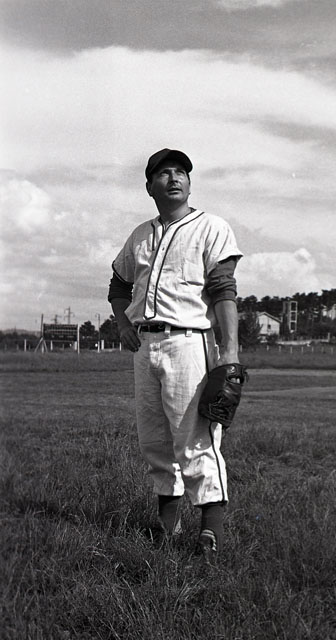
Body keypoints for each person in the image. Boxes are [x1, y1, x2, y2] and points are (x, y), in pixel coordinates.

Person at [108, 148, 242, 560]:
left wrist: (230, 351)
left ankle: (210, 532)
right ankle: (167, 527)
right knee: (154, 440)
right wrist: (123, 325)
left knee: (195, 439)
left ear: (189, 183)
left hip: (189, 341)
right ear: (150, 187)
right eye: (164, 173)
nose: (174, 177)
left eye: (181, 171)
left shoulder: (211, 226)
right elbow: (118, 286)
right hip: (144, 345)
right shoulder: (140, 235)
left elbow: (223, 289)